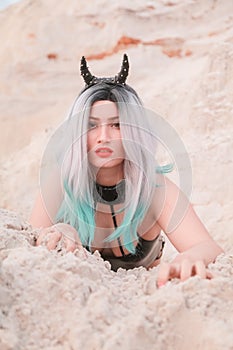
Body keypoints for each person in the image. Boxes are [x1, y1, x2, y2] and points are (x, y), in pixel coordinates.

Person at [29, 54, 223, 287]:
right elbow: (28, 243)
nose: (103, 137)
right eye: (91, 126)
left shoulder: (154, 189)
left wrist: (190, 256)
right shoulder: (59, 185)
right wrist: (62, 229)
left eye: (116, 124)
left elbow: (207, 246)